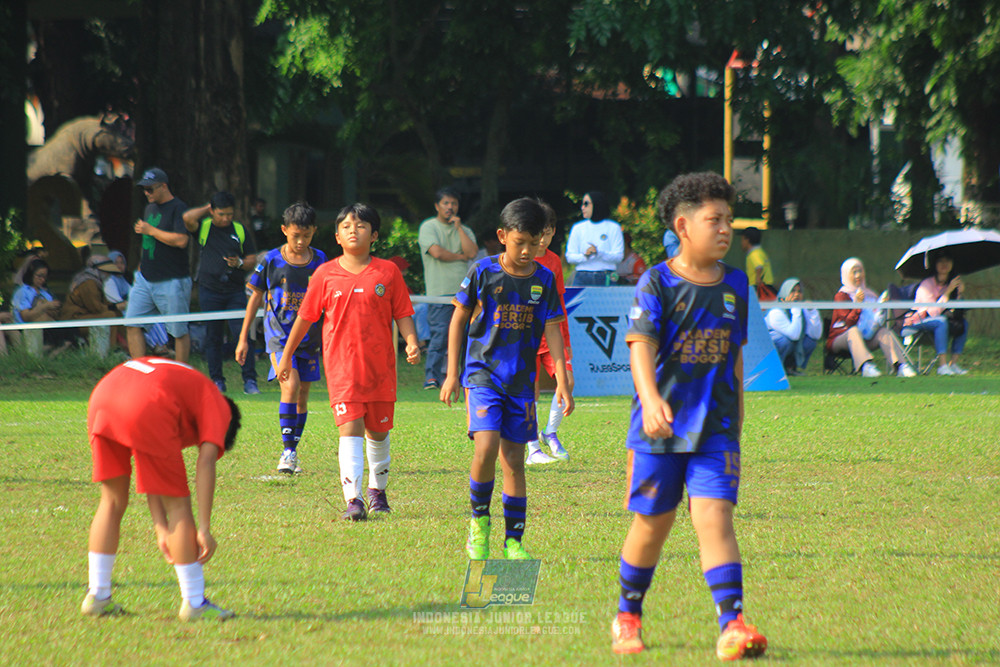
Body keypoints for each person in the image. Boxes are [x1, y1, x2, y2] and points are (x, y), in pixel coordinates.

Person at [611, 172, 767, 660]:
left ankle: (732, 624)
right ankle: (627, 614)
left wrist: (738, 413)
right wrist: (652, 397)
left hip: (716, 430)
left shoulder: (737, 284)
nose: (725, 229)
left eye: (729, 220)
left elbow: (735, 355)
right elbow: (640, 346)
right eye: (714, 219)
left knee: (714, 518)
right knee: (651, 526)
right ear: (683, 225)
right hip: (659, 432)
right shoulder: (655, 282)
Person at [440, 197, 574, 560]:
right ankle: (478, 524)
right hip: (482, 375)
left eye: (535, 242)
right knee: (485, 448)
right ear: (502, 236)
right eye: (520, 243)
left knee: (514, 460)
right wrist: (452, 374)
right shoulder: (483, 271)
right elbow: (458, 319)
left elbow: (554, 330)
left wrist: (561, 379)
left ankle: (513, 541)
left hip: (520, 382)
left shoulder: (544, 279)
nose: (528, 250)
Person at [277, 203, 420, 521]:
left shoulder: (388, 273)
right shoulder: (325, 274)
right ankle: (353, 500)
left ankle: (377, 491)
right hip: (342, 370)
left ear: (374, 235)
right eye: (345, 226)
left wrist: (410, 341)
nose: (353, 229)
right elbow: (304, 318)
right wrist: (286, 355)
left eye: (361, 225)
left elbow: (403, 312)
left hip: (381, 370)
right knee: (350, 429)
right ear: (337, 237)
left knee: (378, 434)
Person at [81, 356, 240, 621]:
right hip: (146, 401)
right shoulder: (218, 405)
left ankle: (98, 596)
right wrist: (204, 528)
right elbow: (207, 461)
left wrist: (160, 528)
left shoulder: (185, 390)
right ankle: (194, 602)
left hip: (104, 395)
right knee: (178, 504)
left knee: (111, 501)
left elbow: (150, 468)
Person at [236, 202, 328, 474]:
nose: (300, 242)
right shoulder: (272, 260)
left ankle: (293, 451)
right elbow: (255, 298)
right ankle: (287, 452)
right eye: (295, 235)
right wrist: (244, 338)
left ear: (314, 232)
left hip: (309, 339)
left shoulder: (321, 260)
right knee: (291, 386)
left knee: (302, 395)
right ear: (284, 230)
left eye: (307, 236)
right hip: (278, 336)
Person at [183, 191, 259, 394]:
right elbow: (187, 218)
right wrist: (206, 209)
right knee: (213, 337)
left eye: (229, 214)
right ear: (212, 211)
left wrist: (240, 263)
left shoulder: (240, 230)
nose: (226, 218)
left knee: (242, 335)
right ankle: (217, 380)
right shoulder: (204, 227)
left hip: (234, 291)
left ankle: (250, 381)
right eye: (221, 214)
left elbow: (252, 258)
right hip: (209, 291)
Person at [126, 167, 192, 363]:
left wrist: (151, 230)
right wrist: (140, 265)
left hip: (172, 279)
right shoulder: (149, 208)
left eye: (150, 189)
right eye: (144, 189)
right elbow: (148, 242)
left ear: (163, 186)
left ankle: (181, 372)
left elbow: (182, 241)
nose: (147, 193)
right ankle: (140, 371)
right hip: (145, 277)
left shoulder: (179, 208)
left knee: (178, 330)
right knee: (132, 322)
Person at [526, 201, 574, 465]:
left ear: (553, 232)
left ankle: (550, 432)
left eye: (546, 232)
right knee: (529, 391)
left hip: (550, 335)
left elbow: (559, 303)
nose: (542, 239)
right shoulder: (521, 256)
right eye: (537, 232)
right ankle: (533, 447)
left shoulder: (554, 262)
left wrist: (565, 340)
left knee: (567, 380)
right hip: (525, 336)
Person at [418, 187, 477, 390]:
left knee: (465, 338)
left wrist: (459, 228)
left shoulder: (464, 229)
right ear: (437, 206)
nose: (450, 207)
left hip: (463, 294)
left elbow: (472, 252)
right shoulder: (429, 226)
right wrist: (460, 256)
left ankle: (462, 377)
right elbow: (437, 253)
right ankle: (432, 378)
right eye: (446, 203)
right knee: (440, 337)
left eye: (454, 203)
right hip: (439, 293)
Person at [827, 257, 915, 378]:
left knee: (884, 332)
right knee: (853, 331)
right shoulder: (841, 296)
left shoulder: (870, 294)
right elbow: (848, 323)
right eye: (854, 272)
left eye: (860, 271)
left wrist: (881, 308)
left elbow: (876, 320)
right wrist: (858, 304)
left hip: (866, 337)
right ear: (847, 274)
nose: (858, 275)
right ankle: (866, 366)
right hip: (841, 339)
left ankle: (900, 366)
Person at [902, 252, 968, 375]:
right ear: (935, 265)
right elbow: (933, 313)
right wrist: (947, 293)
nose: (945, 264)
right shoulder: (926, 285)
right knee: (941, 321)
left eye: (948, 261)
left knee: (963, 323)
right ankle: (942, 366)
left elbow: (957, 312)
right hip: (918, 321)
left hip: (941, 322)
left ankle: (953, 364)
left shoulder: (953, 283)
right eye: (940, 261)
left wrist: (959, 293)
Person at [103, 250, 171, 354]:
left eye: (122, 263)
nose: (120, 266)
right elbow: (118, 303)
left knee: (154, 317)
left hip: (129, 307)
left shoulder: (123, 279)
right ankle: (156, 346)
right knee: (141, 319)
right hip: (121, 312)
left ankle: (162, 345)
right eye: (116, 263)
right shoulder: (109, 281)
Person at [11, 257, 74, 353]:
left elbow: (56, 315)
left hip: (49, 324)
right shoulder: (22, 292)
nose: (42, 280)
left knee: (71, 331)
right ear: (31, 274)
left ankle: (53, 355)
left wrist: (53, 309)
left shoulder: (45, 292)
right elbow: (25, 317)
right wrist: (44, 307)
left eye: (45, 277)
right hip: (30, 327)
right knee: (57, 335)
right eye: (39, 276)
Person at [61, 255, 124, 349]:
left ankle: (125, 347)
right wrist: (115, 307)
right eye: (106, 272)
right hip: (73, 320)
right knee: (110, 316)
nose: (108, 275)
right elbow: (96, 308)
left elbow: (104, 303)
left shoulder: (95, 282)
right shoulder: (88, 283)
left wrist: (117, 307)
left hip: (83, 317)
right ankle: (111, 349)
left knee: (117, 314)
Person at [565, 191, 624, 286]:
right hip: (582, 275)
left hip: (606, 275)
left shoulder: (613, 227)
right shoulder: (578, 228)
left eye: (586, 204)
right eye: (582, 204)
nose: (582, 207)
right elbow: (570, 256)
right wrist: (586, 255)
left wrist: (599, 253)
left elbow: (618, 256)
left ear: (597, 204)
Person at [765, 278, 822, 376]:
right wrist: (796, 309)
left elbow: (816, 335)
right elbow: (794, 335)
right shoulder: (776, 312)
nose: (796, 295)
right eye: (792, 291)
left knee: (810, 342)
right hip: (770, 346)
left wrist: (812, 311)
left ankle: (791, 368)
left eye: (799, 291)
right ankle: (776, 370)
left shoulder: (800, 310)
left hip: (790, 340)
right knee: (785, 341)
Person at [740, 227, 775, 293]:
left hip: (760, 287)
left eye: (742, 239)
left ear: (747, 240)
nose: (741, 243)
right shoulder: (760, 252)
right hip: (765, 286)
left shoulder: (754, 253)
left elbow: (759, 266)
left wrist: (758, 279)